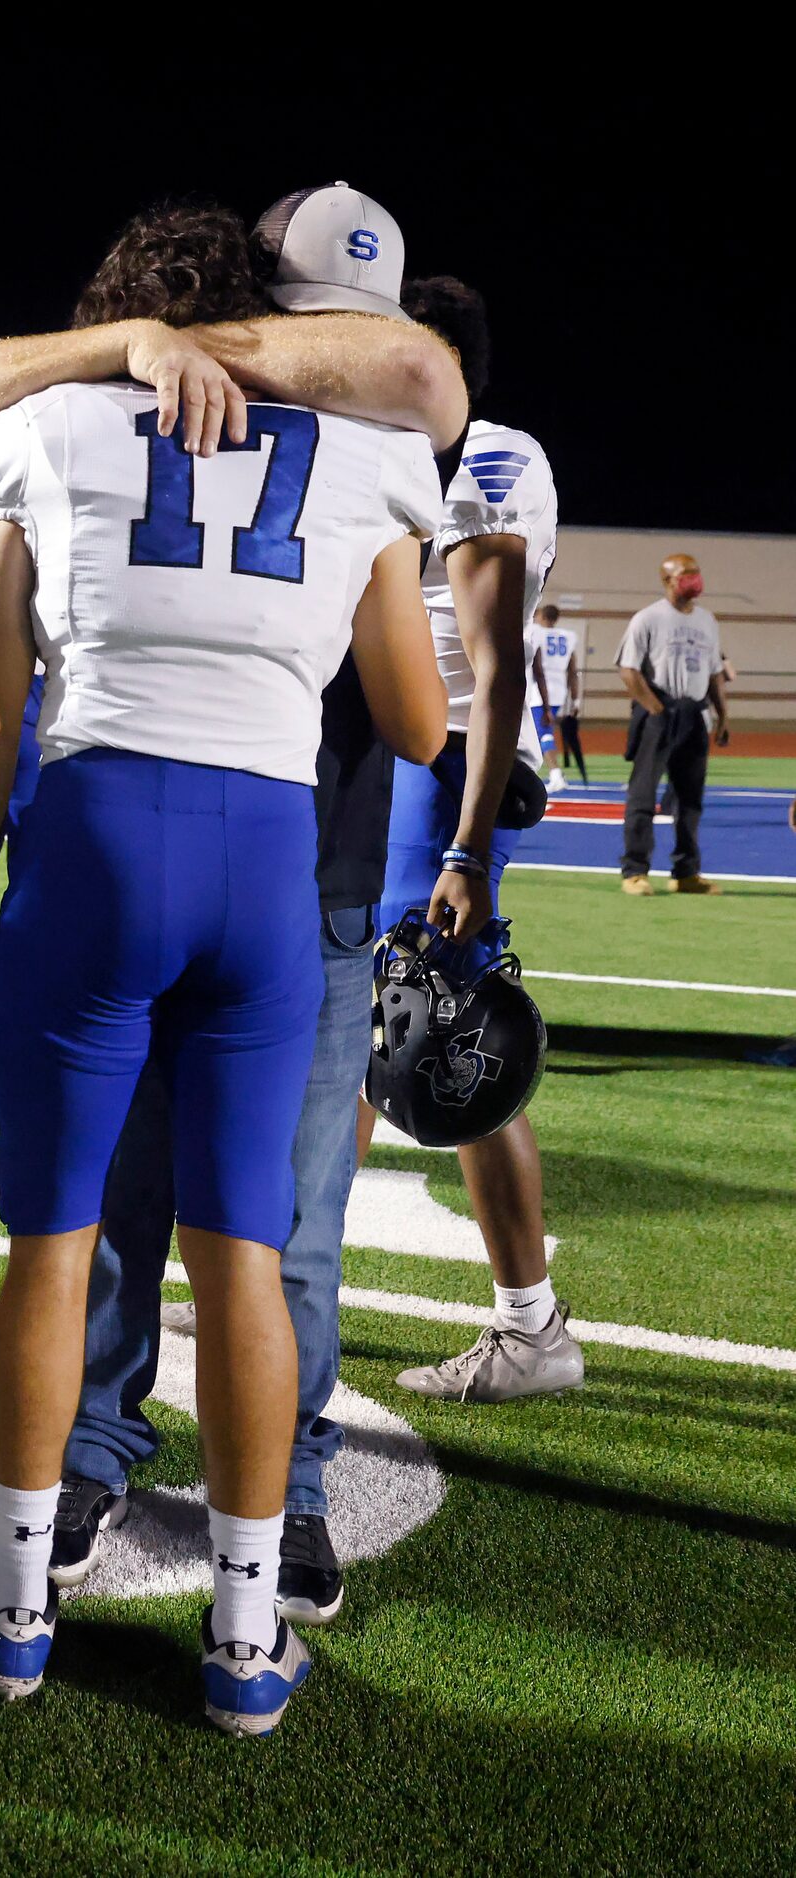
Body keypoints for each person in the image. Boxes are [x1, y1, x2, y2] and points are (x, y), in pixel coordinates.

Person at [0, 200, 447, 1736]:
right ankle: (238, 1637)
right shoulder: (368, 456)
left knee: (52, 1244)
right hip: (265, 866)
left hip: (92, 845)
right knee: (243, 1255)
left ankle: (16, 1612)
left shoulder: (46, 428)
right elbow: (414, 719)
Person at [366, 276, 581, 1406]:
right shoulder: (386, 454)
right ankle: (274, 1270)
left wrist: (465, 849)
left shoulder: (485, 458)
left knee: (444, 1040)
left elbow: (492, 676)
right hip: (381, 768)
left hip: (441, 770)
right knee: (351, 1040)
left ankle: (528, 1324)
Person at [617, 553, 727, 893]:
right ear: (667, 580)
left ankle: (685, 871)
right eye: (687, 574)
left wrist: (722, 715)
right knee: (644, 795)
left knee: (690, 798)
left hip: (694, 715)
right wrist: (653, 707)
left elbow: (714, 673)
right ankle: (635, 871)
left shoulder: (707, 621)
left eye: (697, 572)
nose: (695, 579)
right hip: (659, 712)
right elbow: (628, 669)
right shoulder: (648, 619)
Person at [529, 601, 587, 784]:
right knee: (538, 732)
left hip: (539, 689)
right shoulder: (567, 636)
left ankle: (555, 774)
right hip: (559, 689)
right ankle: (540, 771)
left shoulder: (536, 632)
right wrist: (576, 700)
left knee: (543, 732)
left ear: (543, 617)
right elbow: (572, 670)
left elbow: (537, 667)